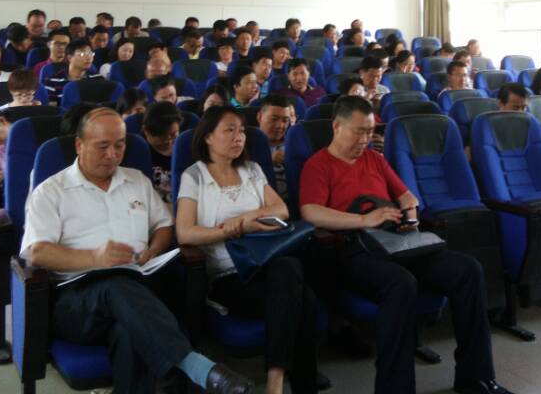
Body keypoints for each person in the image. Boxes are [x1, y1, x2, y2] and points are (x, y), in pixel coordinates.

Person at [20, 107, 253, 394]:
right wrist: (94, 258)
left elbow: (163, 225)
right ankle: (196, 367)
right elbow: (36, 252)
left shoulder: (137, 181)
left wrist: (154, 248)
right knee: (115, 285)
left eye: (119, 145)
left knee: (129, 331)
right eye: (102, 146)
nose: (112, 155)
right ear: (79, 145)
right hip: (77, 302)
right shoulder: (51, 191)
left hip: (139, 293)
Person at [299, 97, 508, 394]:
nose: (365, 139)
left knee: (468, 270)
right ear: (336, 127)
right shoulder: (318, 164)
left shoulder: (374, 159)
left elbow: (408, 198)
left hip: (395, 241)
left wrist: (411, 218)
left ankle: (476, 377)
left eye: (370, 132)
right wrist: (364, 220)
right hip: (352, 249)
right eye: (358, 132)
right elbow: (311, 212)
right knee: (400, 283)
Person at [176, 106, 318, 394]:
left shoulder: (251, 170)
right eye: (229, 130)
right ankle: (295, 384)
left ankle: (276, 381)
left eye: (241, 130)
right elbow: (185, 232)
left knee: (290, 271)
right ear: (208, 137)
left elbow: (281, 209)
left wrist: (246, 219)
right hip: (229, 277)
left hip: (266, 264)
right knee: (306, 300)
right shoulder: (195, 176)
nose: (238, 137)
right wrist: (231, 230)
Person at [257, 94, 297, 198]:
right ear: (260, 117)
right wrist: (269, 162)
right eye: (274, 119)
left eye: (285, 120)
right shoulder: (246, 144)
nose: (280, 126)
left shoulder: (297, 145)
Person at [142, 101, 182, 204]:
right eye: (162, 136)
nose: (168, 140)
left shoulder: (185, 148)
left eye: (173, 134)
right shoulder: (139, 153)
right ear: (146, 131)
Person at [44, 39, 100, 106]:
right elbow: (52, 108)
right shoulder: (53, 81)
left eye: (90, 53)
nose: (89, 57)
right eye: (83, 54)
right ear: (70, 58)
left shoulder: (98, 79)